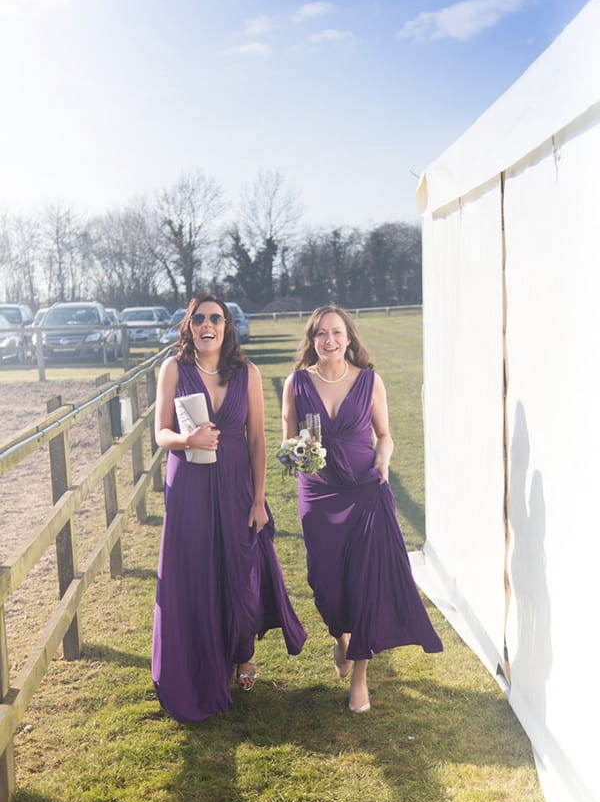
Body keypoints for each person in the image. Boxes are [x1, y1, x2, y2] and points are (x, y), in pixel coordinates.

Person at [152, 294, 306, 722]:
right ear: (188, 326)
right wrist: (188, 441)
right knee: (197, 575)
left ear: (227, 326)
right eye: (198, 318)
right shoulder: (174, 369)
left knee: (241, 574)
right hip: (189, 487)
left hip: (238, 487)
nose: (207, 324)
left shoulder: (248, 373)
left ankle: (243, 651)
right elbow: (160, 433)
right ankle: (204, 664)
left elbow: (257, 439)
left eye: (215, 318)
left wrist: (259, 499)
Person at [282, 305, 443, 714]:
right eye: (321, 333)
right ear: (312, 340)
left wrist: (382, 460)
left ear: (349, 338)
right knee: (325, 584)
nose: (329, 340)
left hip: (366, 491)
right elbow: (287, 442)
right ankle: (341, 638)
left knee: (366, 583)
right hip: (318, 495)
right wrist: (297, 455)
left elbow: (385, 435)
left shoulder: (370, 381)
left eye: (336, 332)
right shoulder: (296, 383)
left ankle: (360, 677)